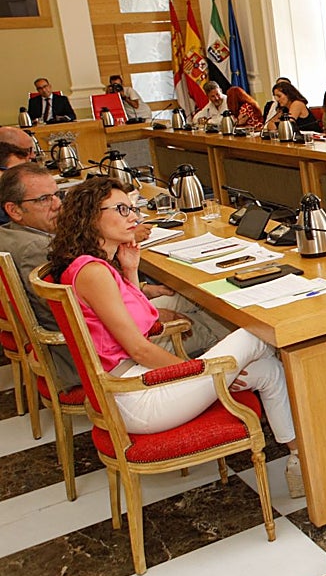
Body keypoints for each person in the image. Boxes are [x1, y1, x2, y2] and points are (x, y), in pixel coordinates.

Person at [45, 177, 304, 497]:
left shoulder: (94, 266)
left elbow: (142, 320)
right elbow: (139, 347)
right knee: (255, 335)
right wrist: (194, 372)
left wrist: (131, 271)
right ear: (89, 216)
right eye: (121, 209)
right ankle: (293, 414)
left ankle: (298, 460)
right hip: (136, 398)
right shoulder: (92, 272)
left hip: (133, 386)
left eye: (133, 207)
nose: (133, 216)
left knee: (267, 371)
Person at [0, 163, 230, 386]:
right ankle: (221, 380)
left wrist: (136, 280)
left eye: (56, 195)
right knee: (215, 322)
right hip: (91, 353)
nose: (57, 205)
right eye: (43, 199)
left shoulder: (11, 235)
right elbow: (71, 309)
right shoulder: (36, 250)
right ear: (14, 210)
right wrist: (155, 314)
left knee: (190, 299)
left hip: (105, 328)